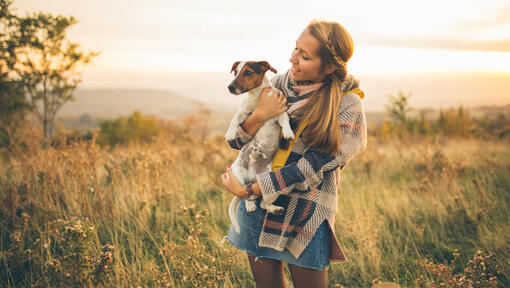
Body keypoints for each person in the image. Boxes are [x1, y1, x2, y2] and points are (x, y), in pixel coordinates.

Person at [220, 19, 367, 288]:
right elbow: (236, 141)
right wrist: (261, 114)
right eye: (295, 49)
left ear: (330, 66)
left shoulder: (348, 103)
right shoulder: (277, 84)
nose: (292, 59)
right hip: (259, 211)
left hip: (306, 213)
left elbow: (311, 166)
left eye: (305, 55)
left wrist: (250, 191)